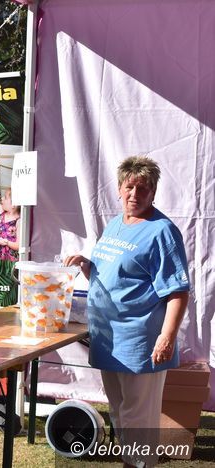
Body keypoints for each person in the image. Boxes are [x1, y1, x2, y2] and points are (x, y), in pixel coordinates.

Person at [64, 156, 190, 468]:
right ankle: (133, 460)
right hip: (109, 339)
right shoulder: (115, 224)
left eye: (143, 188)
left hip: (140, 342)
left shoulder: (162, 232)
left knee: (138, 417)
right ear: (119, 189)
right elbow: (115, 277)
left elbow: (177, 291)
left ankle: (137, 464)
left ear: (153, 193)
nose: (135, 194)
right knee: (120, 412)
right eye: (129, 187)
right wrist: (86, 265)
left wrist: (166, 338)